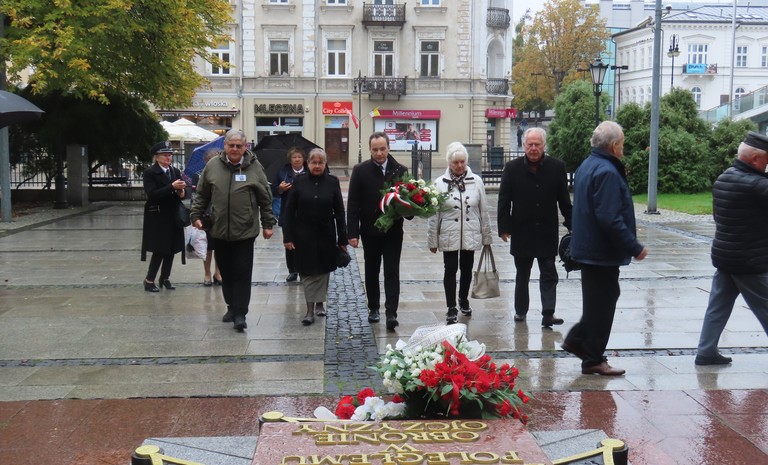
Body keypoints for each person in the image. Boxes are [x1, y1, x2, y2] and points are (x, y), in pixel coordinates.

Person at [563, 121, 647, 376]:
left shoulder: (587, 165)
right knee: (603, 304)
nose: (623, 149)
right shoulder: (607, 171)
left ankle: (579, 343)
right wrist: (634, 246)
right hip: (601, 251)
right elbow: (609, 217)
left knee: (598, 301)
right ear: (613, 145)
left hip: (590, 249)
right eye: (622, 144)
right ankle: (591, 356)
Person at [190, 129, 276, 331]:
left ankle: (240, 313)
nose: (235, 149)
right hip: (219, 229)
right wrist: (195, 215)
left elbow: (265, 198)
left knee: (242, 273)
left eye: (239, 146)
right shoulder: (213, 166)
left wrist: (268, 224)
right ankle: (231, 306)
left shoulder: (254, 167)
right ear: (225, 146)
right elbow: (202, 194)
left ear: (245, 147)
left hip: (245, 230)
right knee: (226, 272)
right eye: (231, 145)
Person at [695, 131, 768, 366]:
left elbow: (718, 218)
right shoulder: (758, 185)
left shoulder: (723, 178)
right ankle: (706, 352)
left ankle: (706, 351)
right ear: (756, 159)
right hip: (750, 262)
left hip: (725, 257)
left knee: (717, 306)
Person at [497, 127, 572, 327]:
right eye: (529, 144)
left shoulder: (557, 167)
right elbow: (504, 201)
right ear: (524, 146)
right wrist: (504, 227)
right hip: (522, 230)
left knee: (549, 273)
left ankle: (548, 313)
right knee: (522, 274)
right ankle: (521, 311)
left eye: (537, 144)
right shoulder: (512, 168)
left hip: (547, 230)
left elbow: (564, 201)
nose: (533, 148)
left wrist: (572, 225)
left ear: (544, 145)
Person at [347, 131, 409, 331]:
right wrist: (352, 233)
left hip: (393, 231)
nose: (379, 153)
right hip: (370, 230)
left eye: (382, 149)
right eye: (375, 150)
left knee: (392, 271)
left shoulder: (400, 170)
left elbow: (409, 199)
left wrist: (410, 210)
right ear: (370, 150)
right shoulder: (360, 170)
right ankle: (373, 307)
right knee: (372, 270)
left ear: (388, 148)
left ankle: (391, 312)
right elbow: (353, 203)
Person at [427, 142, 493, 324]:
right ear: (449, 163)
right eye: (455, 162)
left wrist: (487, 237)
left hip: (470, 232)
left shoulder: (476, 181)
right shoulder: (440, 183)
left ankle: (463, 299)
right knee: (450, 270)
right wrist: (432, 240)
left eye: (462, 161)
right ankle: (451, 307)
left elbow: (484, 211)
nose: (459, 165)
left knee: (466, 269)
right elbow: (434, 214)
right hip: (449, 233)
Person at [282, 148, 348, 325]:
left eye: (320, 163)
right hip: (303, 234)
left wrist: (343, 238)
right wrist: (287, 236)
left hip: (326, 234)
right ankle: (310, 309)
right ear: (308, 163)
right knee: (307, 271)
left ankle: (320, 303)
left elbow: (339, 211)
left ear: (325, 164)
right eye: (314, 162)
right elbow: (290, 210)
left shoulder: (332, 182)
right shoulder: (299, 181)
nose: (317, 166)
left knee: (323, 270)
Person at [141, 141, 187, 292]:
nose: (168, 158)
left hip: (174, 215)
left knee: (172, 248)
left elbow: (183, 191)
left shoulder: (175, 171)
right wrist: (171, 187)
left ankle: (165, 277)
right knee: (160, 248)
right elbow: (152, 194)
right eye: (165, 155)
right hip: (158, 215)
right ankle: (149, 280)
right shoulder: (150, 173)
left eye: (170, 155)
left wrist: (182, 192)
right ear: (156, 157)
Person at [272, 147, 307, 283]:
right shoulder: (283, 172)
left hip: (305, 213)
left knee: (304, 243)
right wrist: (280, 189)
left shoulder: (309, 171)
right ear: (290, 159)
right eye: (294, 157)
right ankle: (292, 270)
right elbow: (273, 191)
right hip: (288, 213)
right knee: (289, 242)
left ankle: (304, 269)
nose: (297, 159)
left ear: (303, 159)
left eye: (299, 157)